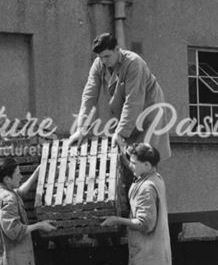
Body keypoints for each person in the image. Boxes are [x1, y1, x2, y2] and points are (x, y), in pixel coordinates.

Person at [66, 33, 171, 214]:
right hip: (128, 117)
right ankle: (131, 211)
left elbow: (134, 101)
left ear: (117, 50)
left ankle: (148, 214)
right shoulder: (99, 65)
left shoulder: (134, 63)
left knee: (144, 163)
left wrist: (120, 133)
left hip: (148, 116)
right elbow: (89, 95)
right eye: (100, 57)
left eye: (107, 56)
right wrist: (81, 129)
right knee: (127, 163)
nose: (103, 61)